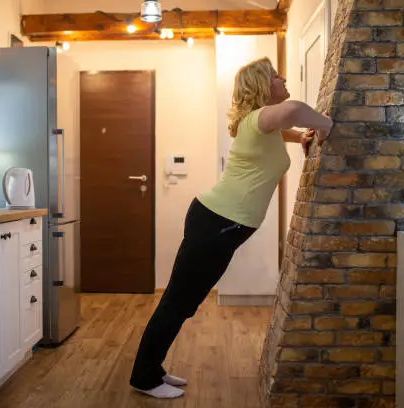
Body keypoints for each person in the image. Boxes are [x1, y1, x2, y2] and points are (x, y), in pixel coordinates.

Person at [129, 56, 334, 399]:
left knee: (183, 302)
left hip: (216, 221)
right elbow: (294, 107)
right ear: (262, 86)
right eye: (275, 75)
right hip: (217, 223)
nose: (283, 78)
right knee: (178, 302)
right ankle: (144, 376)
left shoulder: (255, 124)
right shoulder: (259, 118)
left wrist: (299, 136)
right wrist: (327, 125)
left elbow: (281, 126)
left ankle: (153, 368)